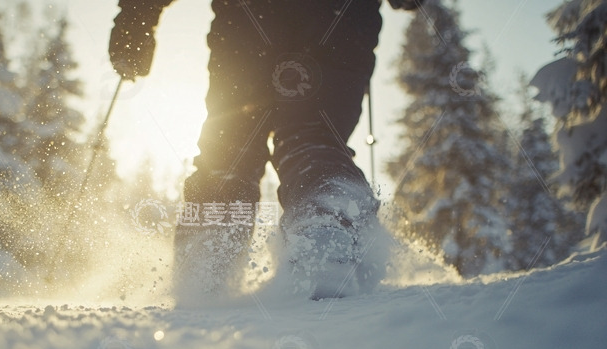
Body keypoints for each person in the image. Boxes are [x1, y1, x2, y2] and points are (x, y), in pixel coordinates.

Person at [110, 0, 423, 300]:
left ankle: (210, 247)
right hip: (337, 15)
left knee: (233, 142)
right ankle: (326, 225)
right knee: (310, 131)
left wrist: (133, 23)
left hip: (247, 17)